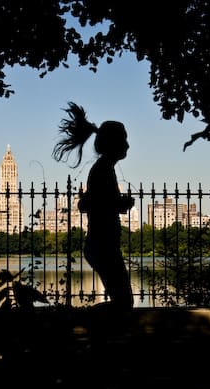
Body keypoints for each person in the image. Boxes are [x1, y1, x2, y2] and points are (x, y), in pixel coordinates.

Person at [53, 102, 135, 310]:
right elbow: (95, 203)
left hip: (102, 245)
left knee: (122, 301)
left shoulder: (104, 168)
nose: (127, 145)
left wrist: (117, 203)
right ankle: (85, 325)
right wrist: (120, 203)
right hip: (102, 245)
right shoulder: (103, 169)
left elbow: (88, 202)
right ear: (113, 143)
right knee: (124, 302)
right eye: (123, 140)